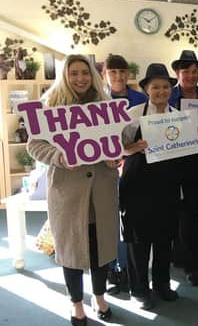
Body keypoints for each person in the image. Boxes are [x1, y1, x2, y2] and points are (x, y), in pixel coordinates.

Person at [27, 54, 119, 325]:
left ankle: (99, 297)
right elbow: (35, 145)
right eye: (74, 73)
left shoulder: (105, 105)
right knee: (71, 250)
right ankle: (76, 302)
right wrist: (59, 157)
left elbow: (120, 138)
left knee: (100, 247)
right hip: (68, 193)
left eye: (85, 72)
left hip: (101, 189)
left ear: (93, 75)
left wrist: (116, 155)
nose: (80, 78)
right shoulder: (50, 106)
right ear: (65, 76)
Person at [119, 63, 182, 309]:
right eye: (155, 87)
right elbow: (118, 147)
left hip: (166, 184)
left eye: (166, 86)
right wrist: (134, 148)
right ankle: (140, 290)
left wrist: (194, 136)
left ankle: (162, 285)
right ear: (146, 89)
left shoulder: (178, 116)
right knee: (139, 240)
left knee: (165, 237)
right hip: (137, 184)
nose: (161, 91)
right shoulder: (133, 114)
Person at [102, 53, 147, 294]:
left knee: (128, 223)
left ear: (128, 74)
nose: (118, 76)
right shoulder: (98, 100)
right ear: (105, 75)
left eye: (122, 71)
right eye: (112, 72)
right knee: (108, 222)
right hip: (105, 170)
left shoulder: (141, 98)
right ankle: (112, 269)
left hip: (134, 170)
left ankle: (129, 270)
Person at [169, 50, 198, 286]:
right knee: (179, 214)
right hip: (173, 164)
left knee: (191, 213)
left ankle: (188, 261)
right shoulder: (168, 97)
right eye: (185, 71)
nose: (190, 75)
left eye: (194, 71)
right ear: (177, 73)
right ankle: (186, 261)